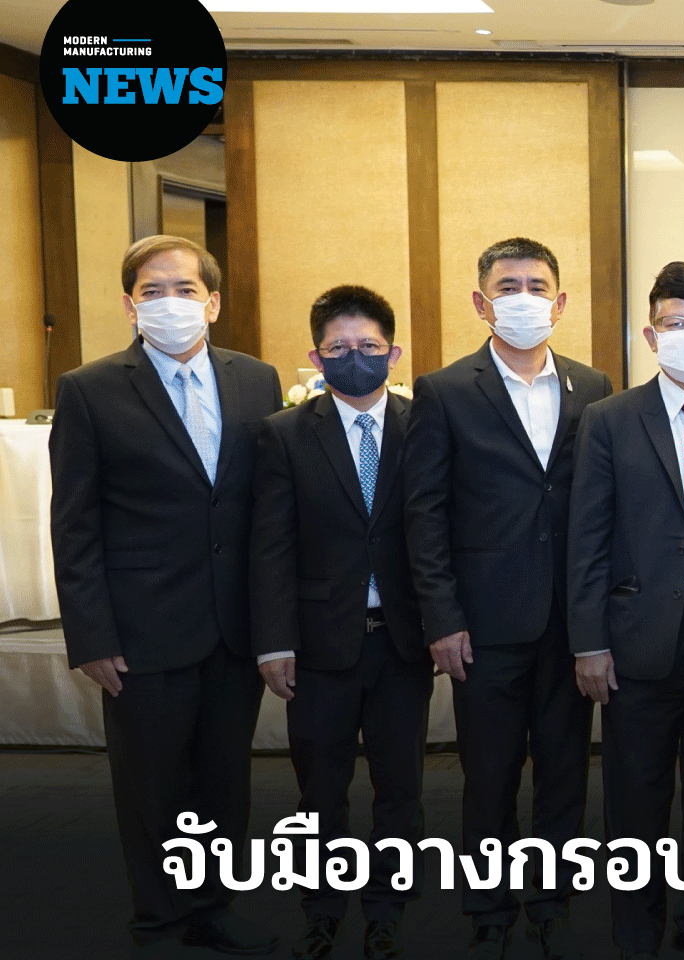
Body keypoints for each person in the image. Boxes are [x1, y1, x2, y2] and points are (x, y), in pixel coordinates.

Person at [49, 235, 283, 959]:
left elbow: (268, 512)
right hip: (141, 628)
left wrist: (276, 623)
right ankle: (156, 923)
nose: (170, 303)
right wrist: (91, 636)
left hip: (234, 626)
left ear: (213, 303)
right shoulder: (89, 388)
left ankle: (212, 910)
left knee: (224, 781)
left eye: (185, 290)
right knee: (151, 787)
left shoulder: (257, 380)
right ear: (130, 307)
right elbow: (74, 524)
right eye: (153, 292)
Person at [405, 237, 613, 960]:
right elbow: (424, 514)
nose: (524, 298)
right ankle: (488, 912)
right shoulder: (444, 391)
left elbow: (601, 507)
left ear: (560, 301)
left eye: (537, 286)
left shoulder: (594, 386)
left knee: (564, 772)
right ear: (481, 301)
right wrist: (442, 617)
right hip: (483, 624)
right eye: (508, 286)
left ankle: (552, 906)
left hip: (569, 622)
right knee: (488, 776)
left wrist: (597, 620)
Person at [567, 262, 684, 960]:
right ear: (650, 334)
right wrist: (588, 642)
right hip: (637, 641)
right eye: (675, 323)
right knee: (635, 801)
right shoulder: (610, 420)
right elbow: (586, 537)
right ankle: (637, 936)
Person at [250, 285, 431, 960]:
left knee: (400, 789)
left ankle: (387, 912)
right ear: (316, 356)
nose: (355, 357)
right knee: (320, 791)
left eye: (369, 346)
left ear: (394, 353)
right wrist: (273, 641)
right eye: (339, 347)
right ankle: (321, 911)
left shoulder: (425, 425)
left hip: (403, 641)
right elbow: (270, 546)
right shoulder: (283, 433)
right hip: (318, 644)